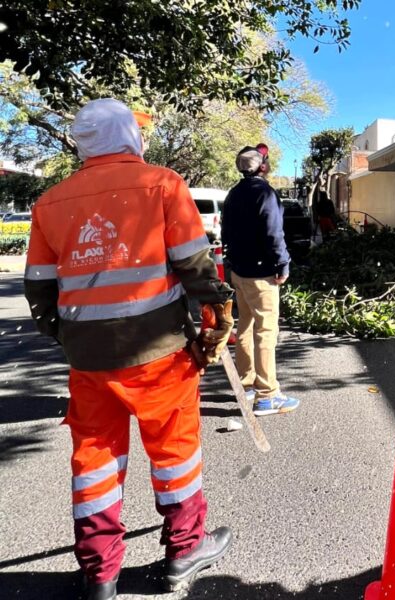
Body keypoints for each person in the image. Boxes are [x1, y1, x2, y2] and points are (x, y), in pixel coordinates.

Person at [23, 99, 235, 599]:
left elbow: (39, 289)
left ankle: (100, 574)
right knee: (174, 454)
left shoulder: (50, 202)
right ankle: (184, 553)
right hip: (160, 354)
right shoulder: (162, 184)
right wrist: (214, 324)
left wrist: (69, 335)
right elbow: (196, 269)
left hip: (89, 361)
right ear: (126, 135)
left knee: (94, 460)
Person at [221, 145, 299, 416]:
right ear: (262, 167)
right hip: (260, 274)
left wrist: (228, 265)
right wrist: (283, 263)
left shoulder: (233, 193)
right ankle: (267, 395)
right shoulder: (264, 193)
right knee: (265, 331)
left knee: (245, 325)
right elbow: (273, 232)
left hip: (239, 272)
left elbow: (225, 232)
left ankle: (247, 384)